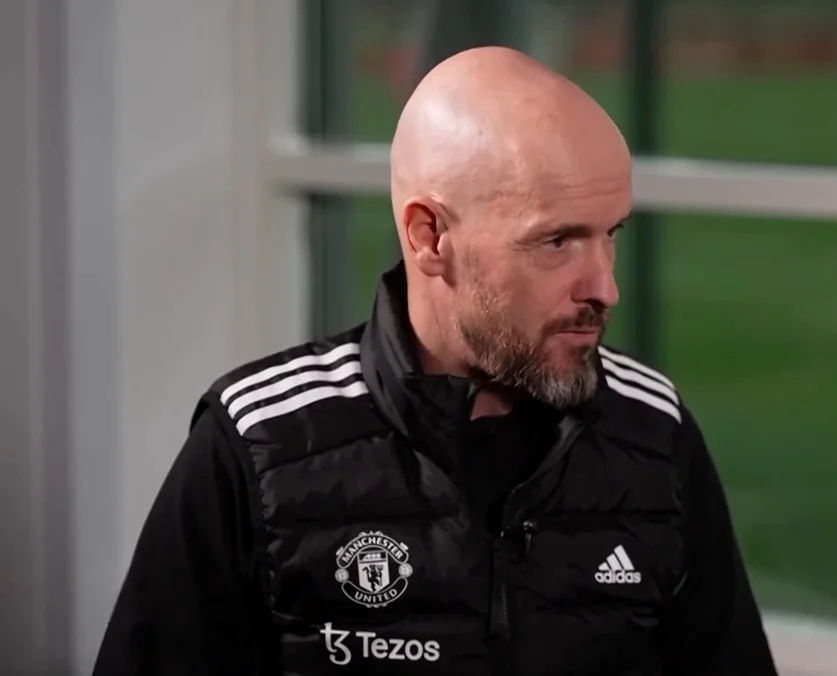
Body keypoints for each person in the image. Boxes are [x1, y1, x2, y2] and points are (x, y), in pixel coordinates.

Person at [91, 46, 779, 676]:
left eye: (611, 234)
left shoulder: (654, 433)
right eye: (557, 242)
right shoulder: (258, 444)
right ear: (429, 237)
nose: (604, 287)